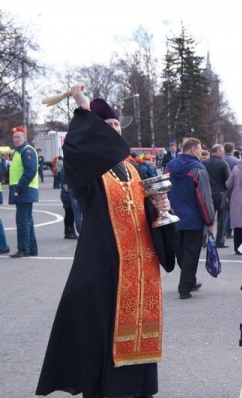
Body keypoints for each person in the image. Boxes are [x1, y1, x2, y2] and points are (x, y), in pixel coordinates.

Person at [36, 84, 177, 398]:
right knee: (105, 336)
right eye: (107, 126)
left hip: (140, 270)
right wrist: (83, 106)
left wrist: (160, 210)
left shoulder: (133, 170)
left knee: (138, 332)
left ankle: (138, 391)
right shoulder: (90, 174)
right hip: (105, 271)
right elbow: (79, 147)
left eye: (116, 125)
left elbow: (144, 214)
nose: (114, 131)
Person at [165, 138, 215, 300]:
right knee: (191, 253)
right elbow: (204, 198)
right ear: (193, 149)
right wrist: (209, 220)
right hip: (193, 218)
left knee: (180, 251)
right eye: (200, 150)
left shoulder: (169, 167)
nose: (201, 153)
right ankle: (185, 288)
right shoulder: (198, 169)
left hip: (173, 216)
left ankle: (190, 281)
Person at [8, 125, 39, 258]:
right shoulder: (19, 152)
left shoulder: (26, 151)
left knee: (22, 221)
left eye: (18, 136)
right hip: (23, 190)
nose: (16, 139)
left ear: (24, 137)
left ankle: (24, 249)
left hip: (24, 190)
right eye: (14, 137)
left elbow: (30, 171)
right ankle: (31, 249)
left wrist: (19, 188)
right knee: (27, 220)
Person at [202, 144, 230, 248]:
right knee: (222, 218)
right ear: (218, 152)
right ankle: (219, 241)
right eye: (222, 152)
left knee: (207, 217)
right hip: (220, 194)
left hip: (207, 194)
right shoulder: (223, 164)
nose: (223, 154)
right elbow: (228, 180)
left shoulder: (203, 163)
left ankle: (204, 238)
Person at [223, 142, 239, 238]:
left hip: (220, 186)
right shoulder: (236, 161)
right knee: (230, 209)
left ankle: (222, 231)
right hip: (233, 187)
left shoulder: (221, 160)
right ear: (232, 150)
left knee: (221, 211)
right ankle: (228, 230)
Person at [59, 168, 78, 239]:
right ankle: (68, 231)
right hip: (66, 195)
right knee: (68, 213)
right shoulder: (64, 170)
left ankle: (72, 231)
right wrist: (70, 190)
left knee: (71, 214)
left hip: (67, 194)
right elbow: (64, 184)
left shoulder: (66, 169)